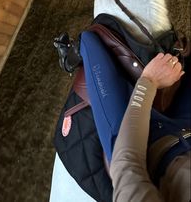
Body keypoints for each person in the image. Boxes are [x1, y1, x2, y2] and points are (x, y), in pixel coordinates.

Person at [80, 32, 191, 202]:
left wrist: (149, 80)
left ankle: (72, 54)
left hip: (146, 147)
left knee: (90, 43)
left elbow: (126, 164)